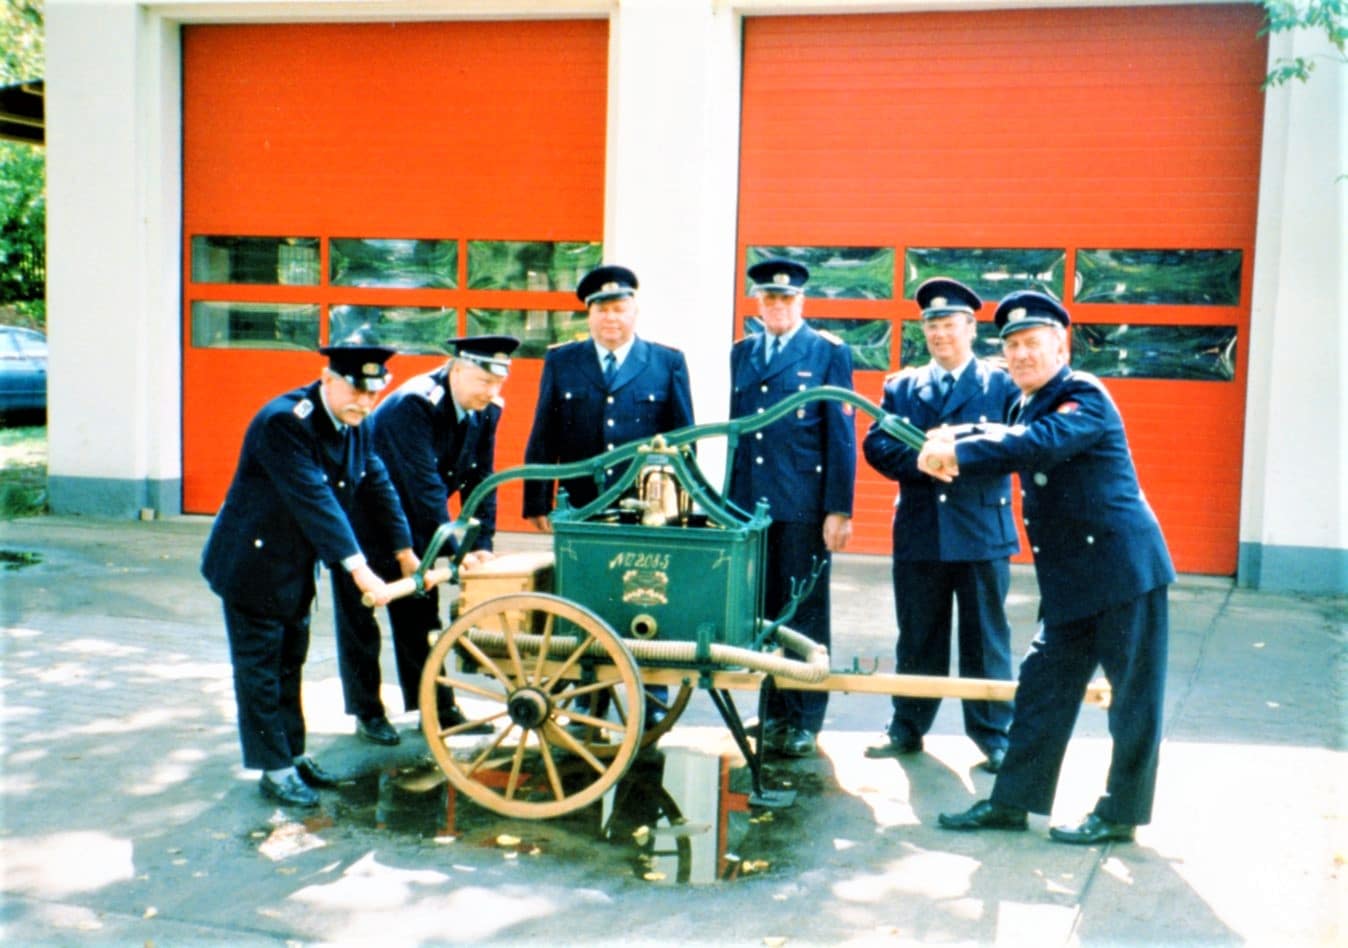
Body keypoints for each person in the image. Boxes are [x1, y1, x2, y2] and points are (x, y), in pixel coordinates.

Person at [920, 290, 1174, 845]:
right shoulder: (1021, 403)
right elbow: (1003, 432)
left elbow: (1040, 443)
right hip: (1070, 584)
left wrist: (957, 450)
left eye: (1033, 343)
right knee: (1040, 692)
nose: (1021, 355)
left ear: (1060, 345)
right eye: (1011, 346)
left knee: (1133, 702)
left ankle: (1121, 814)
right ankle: (1013, 802)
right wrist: (951, 436)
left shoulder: (1084, 395)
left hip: (1124, 574)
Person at [201, 345, 415, 808]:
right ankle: (274, 770)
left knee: (289, 663)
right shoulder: (285, 422)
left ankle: (293, 755)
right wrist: (360, 570)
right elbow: (316, 502)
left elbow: (374, 478)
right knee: (260, 671)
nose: (365, 402)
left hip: (294, 566)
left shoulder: (356, 420)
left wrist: (402, 548)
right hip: (252, 565)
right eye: (356, 391)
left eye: (374, 394)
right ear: (327, 378)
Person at [861, 277, 1019, 772]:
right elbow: (877, 446)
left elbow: (1020, 443)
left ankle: (994, 735)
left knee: (985, 639)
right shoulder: (902, 386)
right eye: (932, 325)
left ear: (971, 329)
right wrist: (923, 463)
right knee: (918, 636)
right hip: (921, 530)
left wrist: (959, 456)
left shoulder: (1002, 384)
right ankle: (907, 727)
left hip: (980, 530)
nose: (940, 334)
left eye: (949, 324)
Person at [334, 335, 520, 745]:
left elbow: (483, 480)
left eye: (498, 384)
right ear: (457, 369)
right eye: (483, 381)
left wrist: (481, 542)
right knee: (360, 621)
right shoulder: (415, 404)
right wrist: (459, 549)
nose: (491, 392)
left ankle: (435, 707)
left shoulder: (486, 409)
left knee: (421, 618)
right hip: (362, 522)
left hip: (417, 525)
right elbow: (424, 486)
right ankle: (367, 712)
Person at [729, 256, 856, 758]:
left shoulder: (826, 352)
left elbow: (840, 435)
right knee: (764, 613)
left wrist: (838, 509)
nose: (776, 307)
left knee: (805, 613)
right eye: (768, 298)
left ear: (801, 302)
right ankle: (774, 711)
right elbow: (739, 434)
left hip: (803, 506)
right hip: (753, 506)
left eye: (785, 299)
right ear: (758, 303)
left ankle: (806, 719)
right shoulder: (742, 352)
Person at [522, 264, 695, 529]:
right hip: (580, 505)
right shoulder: (562, 362)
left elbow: (684, 442)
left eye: (619, 309)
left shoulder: (667, 363)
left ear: (635, 313)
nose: (610, 318)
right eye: (601, 310)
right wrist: (536, 502)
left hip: (647, 509)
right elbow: (543, 437)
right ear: (588, 315)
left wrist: (681, 506)